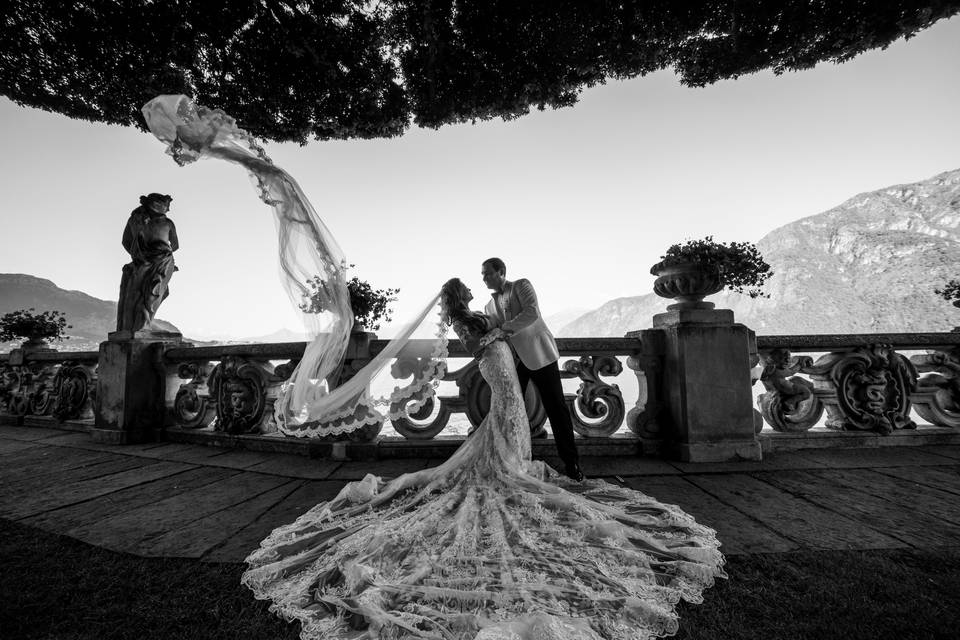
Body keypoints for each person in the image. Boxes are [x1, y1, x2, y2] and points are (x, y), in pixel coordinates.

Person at [242, 278, 725, 640]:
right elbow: (486, 341)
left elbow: (494, 338)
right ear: (460, 299)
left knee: (509, 435)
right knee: (509, 436)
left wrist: (494, 335)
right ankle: (511, 472)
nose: (476, 288)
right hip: (505, 387)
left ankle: (512, 467)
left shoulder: (476, 319)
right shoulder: (475, 323)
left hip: (507, 384)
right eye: (468, 288)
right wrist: (492, 335)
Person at [481, 258, 582, 481]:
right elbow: (489, 329)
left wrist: (503, 329)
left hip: (539, 355)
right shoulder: (488, 307)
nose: (484, 278)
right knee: (512, 410)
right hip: (513, 362)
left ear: (502, 272)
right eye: (483, 274)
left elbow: (532, 313)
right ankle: (517, 463)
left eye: (488, 273)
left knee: (556, 408)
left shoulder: (521, 285)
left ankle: (572, 463)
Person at [116, 193, 179, 333]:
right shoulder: (167, 223)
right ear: (158, 205)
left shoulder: (134, 220)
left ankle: (141, 323)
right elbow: (175, 245)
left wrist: (139, 256)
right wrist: (162, 254)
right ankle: (144, 324)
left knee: (146, 292)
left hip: (140, 262)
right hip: (162, 261)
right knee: (155, 291)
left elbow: (125, 242)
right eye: (167, 206)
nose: (168, 210)